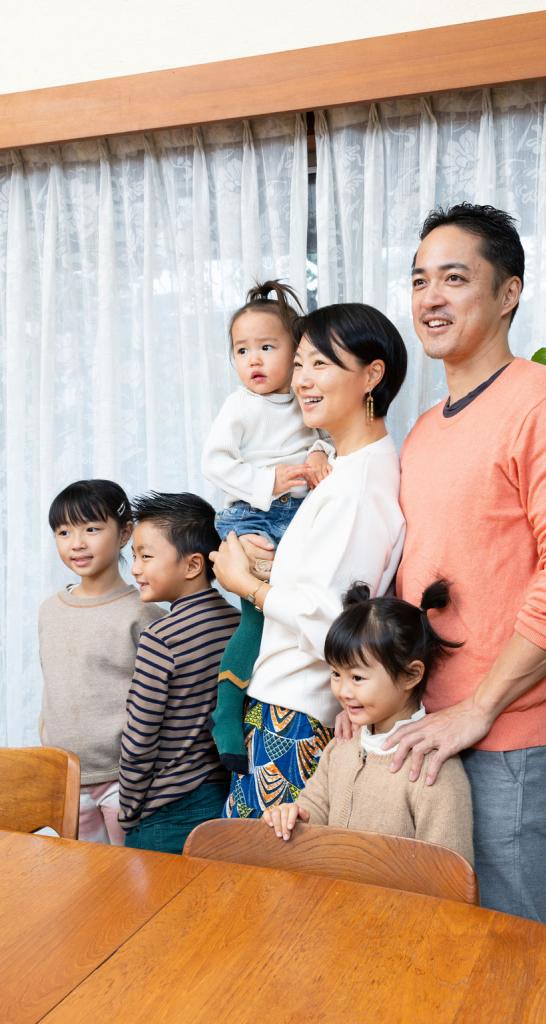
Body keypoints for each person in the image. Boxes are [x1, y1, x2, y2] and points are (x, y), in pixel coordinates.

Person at [385, 202, 546, 924]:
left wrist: (480, 709)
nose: (431, 298)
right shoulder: (424, 430)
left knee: (509, 964)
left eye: (454, 278)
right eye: (421, 280)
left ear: (507, 292)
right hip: (431, 735)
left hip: (508, 743)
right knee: (440, 953)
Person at [210, 302, 408, 819]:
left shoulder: (359, 487)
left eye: (320, 364)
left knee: (263, 885)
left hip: (296, 713)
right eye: (298, 364)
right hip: (287, 705)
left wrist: (245, 584)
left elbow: (332, 626)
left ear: (372, 375)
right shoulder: (342, 470)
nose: (301, 380)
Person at [202, 280, 331, 774]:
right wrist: (266, 479)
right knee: (257, 617)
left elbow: (332, 439)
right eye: (241, 350)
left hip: (297, 517)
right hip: (251, 515)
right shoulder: (239, 406)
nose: (253, 360)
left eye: (266, 347)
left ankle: (280, 705)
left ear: (296, 354)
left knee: (291, 615)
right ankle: (227, 715)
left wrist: (320, 451)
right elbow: (215, 464)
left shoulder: (306, 399)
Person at [264, 581, 473, 862]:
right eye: (336, 674)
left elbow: (450, 873)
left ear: (411, 675)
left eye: (357, 678)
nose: (343, 691)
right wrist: (292, 816)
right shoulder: (342, 746)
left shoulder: (433, 768)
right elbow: (313, 808)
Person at [38, 479, 163, 845]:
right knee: (84, 878)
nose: (77, 543)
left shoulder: (144, 613)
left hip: (123, 776)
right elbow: (53, 681)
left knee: (133, 876)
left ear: (125, 533)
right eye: (64, 532)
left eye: (92, 529)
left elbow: (158, 699)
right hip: (69, 775)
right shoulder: (50, 609)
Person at [118, 491, 240, 854]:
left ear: (192, 566)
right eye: (134, 556)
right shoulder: (237, 624)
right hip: (219, 798)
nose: (136, 568)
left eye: (146, 556)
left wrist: (128, 812)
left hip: (164, 811)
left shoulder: (160, 639)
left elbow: (139, 740)